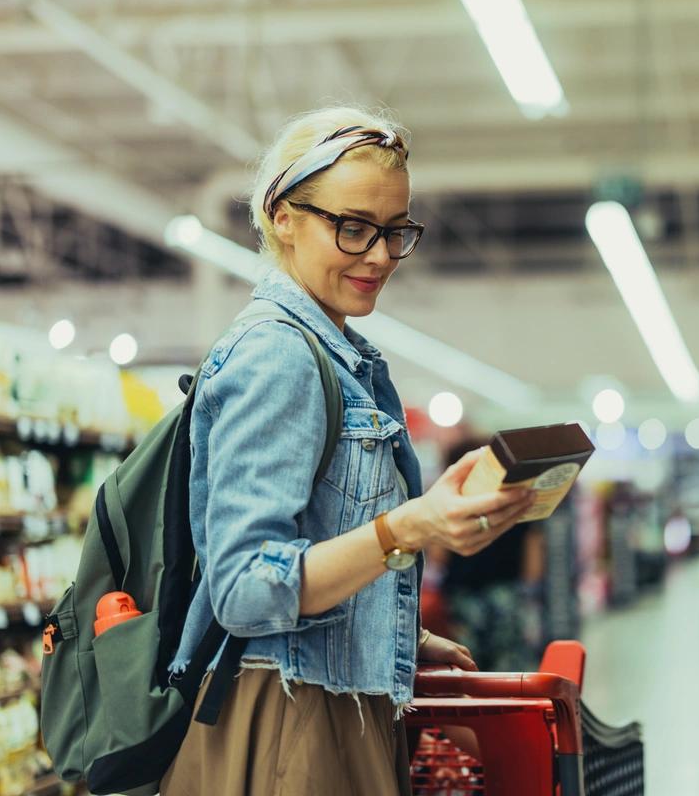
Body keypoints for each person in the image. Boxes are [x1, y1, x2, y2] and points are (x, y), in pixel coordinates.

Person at [159, 106, 537, 796]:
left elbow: (316, 547)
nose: (381, 255)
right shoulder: (279, 355)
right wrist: (407, 527)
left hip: (325, 708)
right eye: (354, 227)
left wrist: (403, 637)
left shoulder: (342, 361)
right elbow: (244, 588)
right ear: (283, 215)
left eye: (396, 231)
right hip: (286, 727)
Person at [438, 438, 545, 672]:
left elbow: (439, 556)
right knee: (509, 665)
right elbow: (533, 566)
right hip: (506, 591)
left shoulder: (451, 505)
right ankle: (507, 708)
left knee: (466, 661)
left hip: (463, 593)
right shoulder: (517, 501)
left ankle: (473, 707)